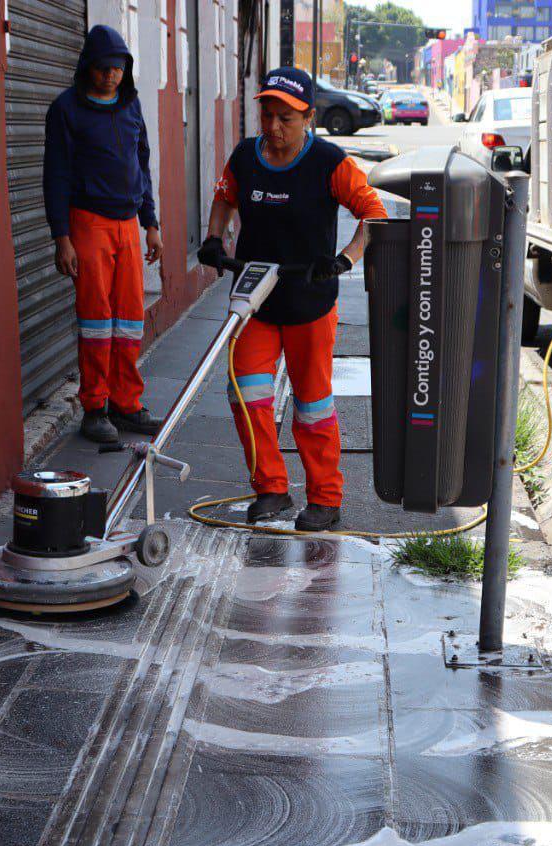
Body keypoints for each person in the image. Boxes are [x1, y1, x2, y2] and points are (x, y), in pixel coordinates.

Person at [198, 67, 387, 532]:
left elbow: (374, 215)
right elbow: (225, 197)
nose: (274, 126)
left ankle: (325, 498)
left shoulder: (328, 162)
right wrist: (214, 237)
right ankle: (271, 489)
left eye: (286, 118)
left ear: (309, 117)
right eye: (267, 115)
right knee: (246, 393)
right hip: (255, 300)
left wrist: (344, 260)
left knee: (312, 404)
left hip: (309, 301)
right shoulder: (245, 157)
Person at [43, 25, 164, 443]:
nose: (110, 75)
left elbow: (141, 164)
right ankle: (95, 408)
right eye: (103, 68)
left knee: (129, 319)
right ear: (87, 67)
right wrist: (62, 237)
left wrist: (151, 223)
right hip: (88, 223)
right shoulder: (65, 110)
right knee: (96, 320)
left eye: (117, 68)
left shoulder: (131, 105)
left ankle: (125, 404)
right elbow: (56, 175)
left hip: (128, 224)